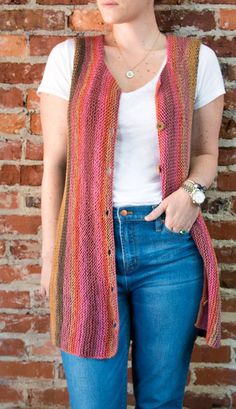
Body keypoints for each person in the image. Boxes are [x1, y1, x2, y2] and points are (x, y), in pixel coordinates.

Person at [37, 0, 226, 408]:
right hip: (84, 248)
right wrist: (50, 255)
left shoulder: (197, 60)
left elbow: (207, 154)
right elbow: (55, 164)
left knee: (161, 400)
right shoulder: (69, 59)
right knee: (93, 403)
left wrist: (191, 194)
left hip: (170, 249)